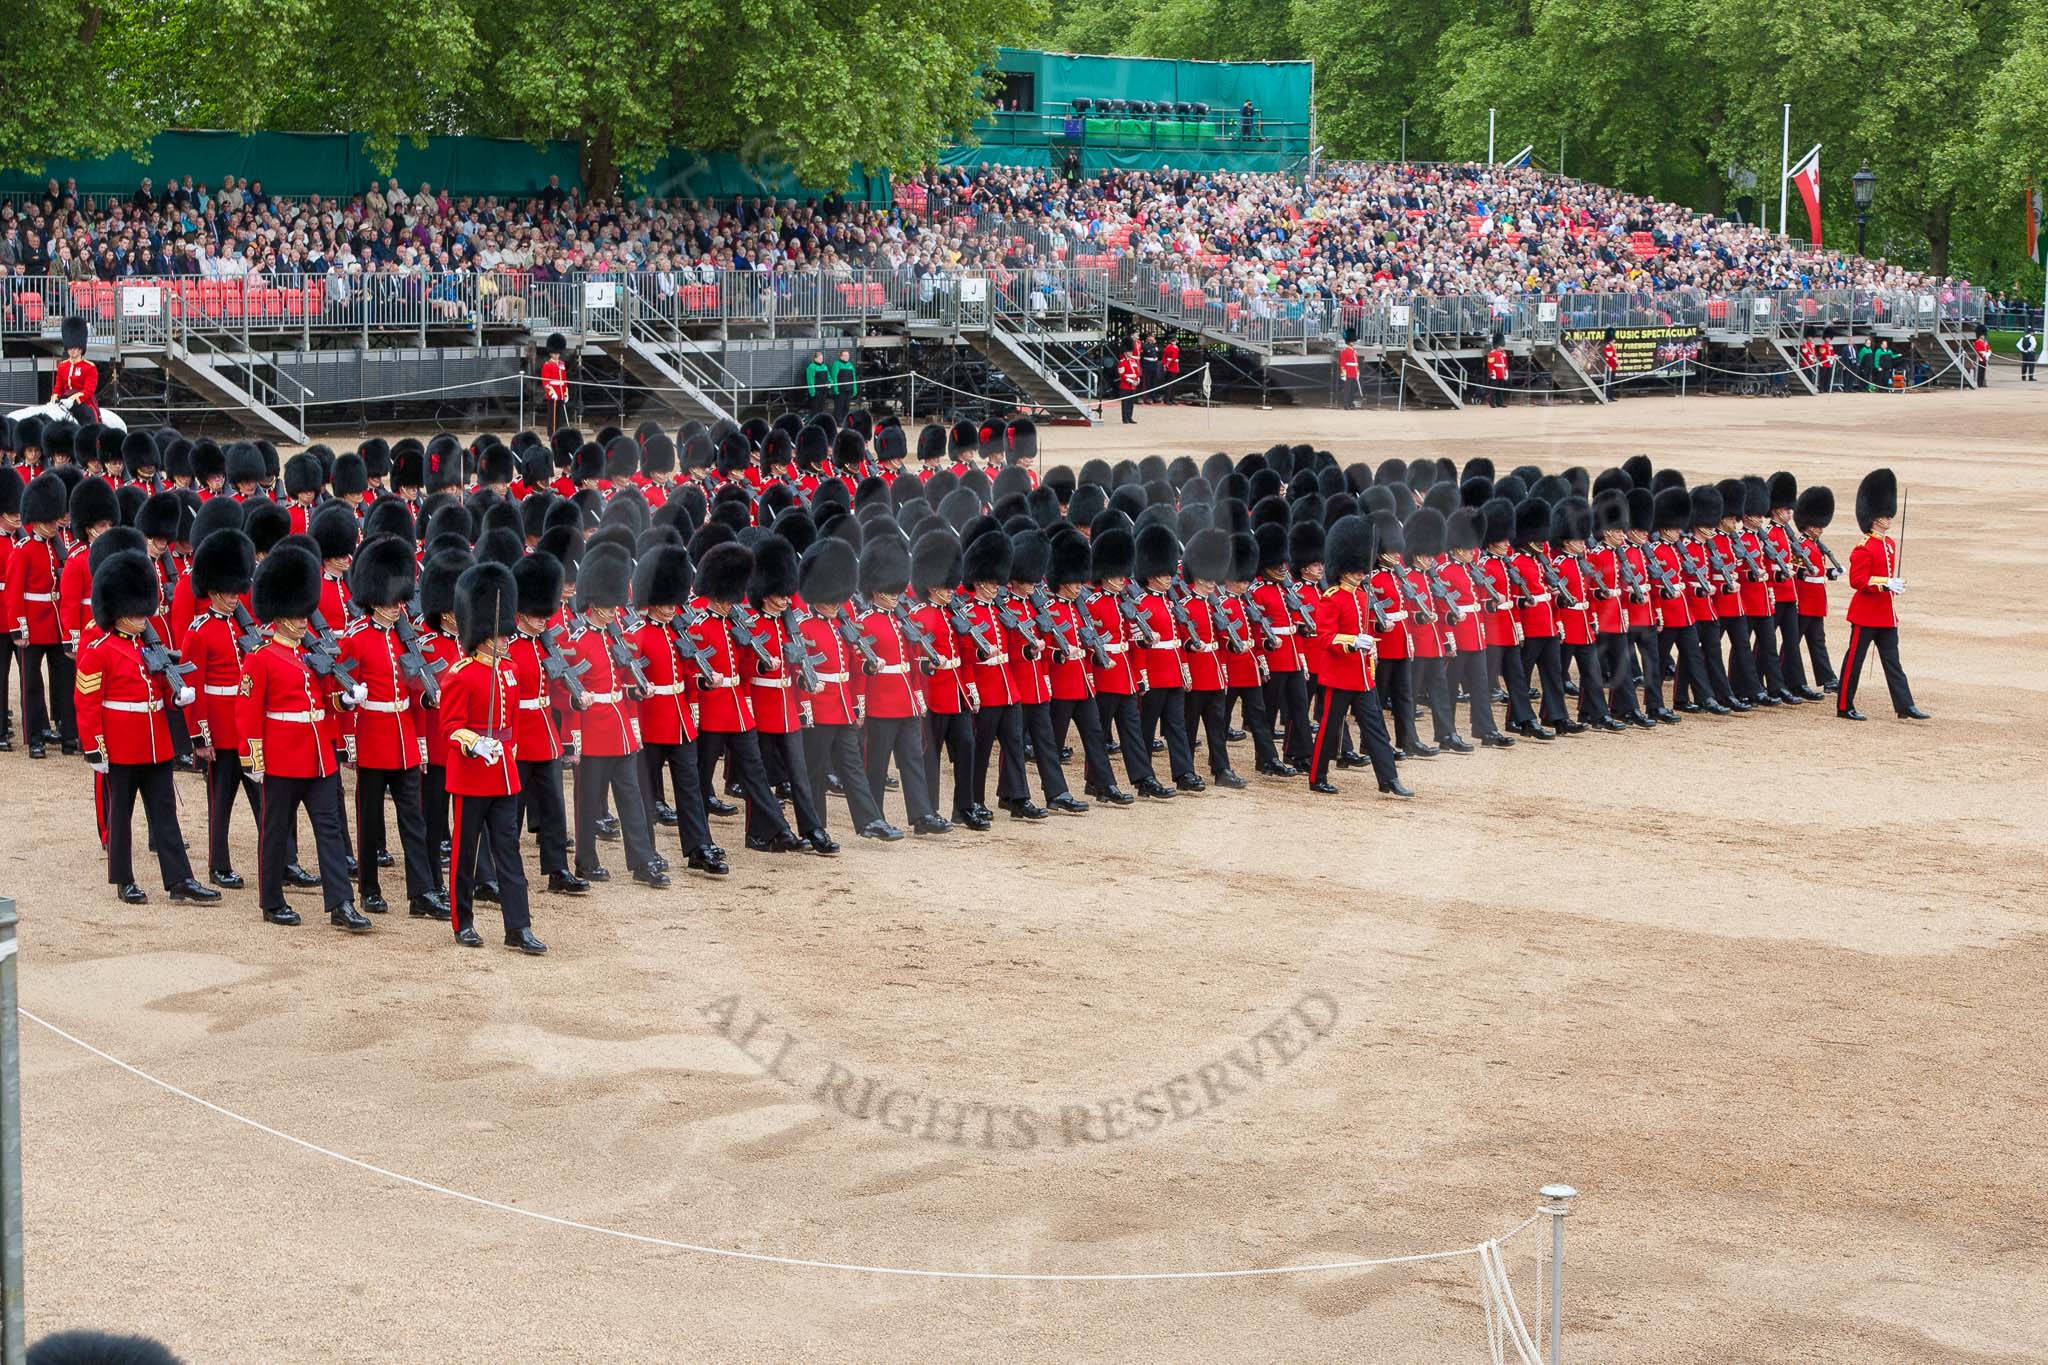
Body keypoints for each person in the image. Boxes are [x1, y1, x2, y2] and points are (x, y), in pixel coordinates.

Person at [239, 545, 371, 932]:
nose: (301, 622)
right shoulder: (260, 659)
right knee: (276, 829)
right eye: (294, 616)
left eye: (302, 614)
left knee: (329, 828)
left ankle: (341, 903)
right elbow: (248, 715)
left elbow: (323, 703)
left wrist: (345, 701)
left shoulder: (311, 656)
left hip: (319, 756)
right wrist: (255, 759)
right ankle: (271, 900)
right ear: (277, 617)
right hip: (282, 756)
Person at [75, 549, 218, 906]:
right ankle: (124, 879)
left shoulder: (147, 647)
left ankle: (180, 878)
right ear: (118, 612)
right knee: (121, 815)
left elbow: (157, 691)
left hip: (156, 743)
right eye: (136, 611)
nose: (143, 617)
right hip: (122, 746)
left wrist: (177, 698)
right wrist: (96, 748)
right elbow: (87, 703)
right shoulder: (99, 650)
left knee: (165, 812)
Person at [440, 562, 546, 954]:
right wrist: (474, 742)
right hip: (470, 774)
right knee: (465, 853)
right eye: (499, 635)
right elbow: (448, 726)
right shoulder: (460, 674)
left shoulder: (511, 672)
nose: (506, 640)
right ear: (483, 637)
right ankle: (462, 921)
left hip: (504, 775)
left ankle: (518, 927)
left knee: (509, 853)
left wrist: (505, 751)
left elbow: (513, 725)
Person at [338, 535, 446, 919]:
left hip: (402, 737)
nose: (398, 606)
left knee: (413, 820)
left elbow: (413, 692)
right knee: (369, 819)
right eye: (391, 599)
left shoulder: (406, 639)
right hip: (371, 735)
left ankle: (421, 893)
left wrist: (425, 703)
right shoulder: (355, 639)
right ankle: (369, 888)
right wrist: (348, 741)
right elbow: (345, 694)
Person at [1307, 515, 1408, 798]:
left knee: (1376, 729)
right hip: (1339, 676)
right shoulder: (1331, 597)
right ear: (1343, 569)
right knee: (1328, 729)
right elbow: (1325, 637)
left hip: (1364, 676)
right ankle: (1318, 777)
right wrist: (1353, 642)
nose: (1361, 573)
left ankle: (1388, 779)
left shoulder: (1362, 596)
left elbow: (1364, 626)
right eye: (1356, 569)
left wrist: (1370, 639)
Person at [1838, 467, 1927, 721]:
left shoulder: (1888, 543)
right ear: (1876, 518)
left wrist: (1892, 584)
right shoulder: (1864, 547)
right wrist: (1884, 583)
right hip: (1865, 614)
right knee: (1854, 662)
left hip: (1886, 614)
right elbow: (1857, 581)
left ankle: (1904, 705)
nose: (1890, 519)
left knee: (1893, 663)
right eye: (1886, 516)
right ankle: (1844, 705)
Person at [8, 473, 74, 758]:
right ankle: (35, 734)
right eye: (48, 522)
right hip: (33, 625)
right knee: (32, 683)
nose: (52, 526)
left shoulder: (57, 547)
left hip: (56, 622)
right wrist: (19, 628)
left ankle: (66, 730)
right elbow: (14, 593)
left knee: (63, 679)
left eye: (53, 520)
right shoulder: (23, 550)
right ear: (35, 519)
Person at [53, 317, 99, 422]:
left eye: (75, 348)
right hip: (64, 400)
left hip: (83, 402)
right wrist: (55, 397)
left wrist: (74, 400)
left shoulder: (89, 367)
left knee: (88, 419)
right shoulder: (62, 366)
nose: (72, 351)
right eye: (70, 348)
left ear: (81, 348)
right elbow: (58, 386)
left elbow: (88, 390)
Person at [540, 333, 570, 429]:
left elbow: (564, 380)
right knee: (552, 417)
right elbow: (546, 381)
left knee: (559, 416)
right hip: (553, 393)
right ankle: (551, 434)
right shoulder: (547, 365)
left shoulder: (562, 364)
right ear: (550, 353)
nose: (556, 355)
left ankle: (558, 432)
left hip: (561, 393)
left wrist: (565, 393)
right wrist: (551, 392)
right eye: (554, 353)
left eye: (557, 353)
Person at [829, 348, 858, 423]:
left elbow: (854, 378)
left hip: (848, 389)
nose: (847, 357)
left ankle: (845, 421)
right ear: (841, 356)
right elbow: (834, 376)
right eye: (845, 355)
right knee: (839, 406)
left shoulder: (850, 365)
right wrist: (835, 389)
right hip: (840, 390)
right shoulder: (836, 364)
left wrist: (855, 389)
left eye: (848, 355)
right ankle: (838, 421)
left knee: (846, 406)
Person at [1117, 343, 1142, 424]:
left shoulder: (1133, 361)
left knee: (1131, 402)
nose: (1131, 353)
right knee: (1125, 403)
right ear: (1125, 353)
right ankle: (1125, 419)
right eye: (1129, 352)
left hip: (1133, 385)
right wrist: (1131, 381)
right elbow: (1122, 375)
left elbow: (1137, 371)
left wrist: (1137, 379)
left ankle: (1130, 417)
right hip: (1125, 385)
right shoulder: (1122, 362)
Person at [1337, 330, 1362, 409]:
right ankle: (1346, 404)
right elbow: (1342, 363)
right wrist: (1343, 373)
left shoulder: (1353, 351)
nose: (1353, 342)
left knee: (1352, 390)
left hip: (1354, 372)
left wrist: (1357, 371)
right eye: (1352, 341)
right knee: (1347, 390)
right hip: (1348, 372)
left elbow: (1356, 362)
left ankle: (1351, 404)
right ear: (1348, 341)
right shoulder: (1345, 351)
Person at [1484, 337, 1509, 407]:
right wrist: (1492, 373)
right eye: (1502, 346)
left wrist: (1506, 372)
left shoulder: (1503, 353)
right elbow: (1490, 364)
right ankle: (1491, 400)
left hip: (1501, 373)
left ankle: (1500, 402)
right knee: (1493, 389)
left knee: (1500, 388)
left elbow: (1505, 364)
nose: (1503, 348)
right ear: (1498, 346)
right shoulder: (1492, 353)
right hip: (1495, 373)